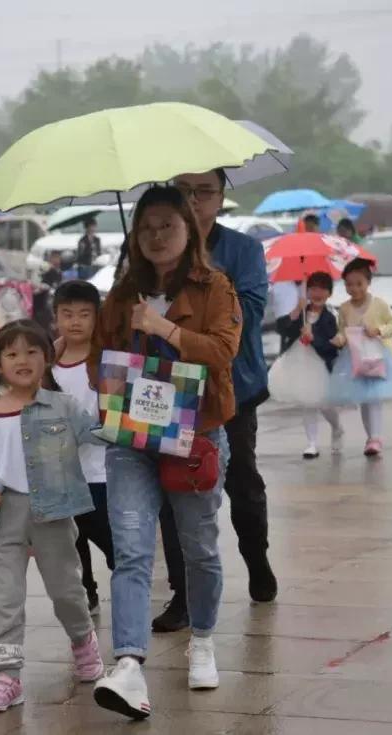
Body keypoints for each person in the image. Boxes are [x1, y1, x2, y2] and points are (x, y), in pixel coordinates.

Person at [90, 185, 242, 720]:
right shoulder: (121, 293)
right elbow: (97, 360)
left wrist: (164, 329)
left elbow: (223, 352)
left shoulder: (214, 286)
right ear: (135, 235)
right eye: (147, 227)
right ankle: (129, 663)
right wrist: (122, 360)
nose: (157, 236)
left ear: (189, 230)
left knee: (198, 545)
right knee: (131, 548)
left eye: (167, 225)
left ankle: (202, 639)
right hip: (132, 438)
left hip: (194, 436)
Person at [155, 168, 275, 634]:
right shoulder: (153, 249)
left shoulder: (243, 251)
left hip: (232, 388)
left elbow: (245, 316)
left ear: (222, 197)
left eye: (203, 191)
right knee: (172, 491)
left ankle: (257, 560)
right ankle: (183, 595)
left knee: (241, 481)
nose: (193, 200)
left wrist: (194, 288)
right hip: (169, 389)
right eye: (182, 191)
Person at [0, 321, 105, 712]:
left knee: (66, 592)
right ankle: (7, 675)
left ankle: (83, 641)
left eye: (32, 351)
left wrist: (135, 425)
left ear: (48, 358)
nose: (22, 360)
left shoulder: (62, 407)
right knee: (7, 600)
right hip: (4, 518)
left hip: (54, 515)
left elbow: (96, 433)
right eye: (11, 354)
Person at [50, 280, 114, 616]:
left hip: (100, 470)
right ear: (56, 317)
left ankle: (129, 584)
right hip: (63, 472)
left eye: (84, 314)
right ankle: (86, 590)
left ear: (97, 317)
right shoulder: (48, 363)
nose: (75, 321)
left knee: (110, 538)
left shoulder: (105, 359)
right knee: (72, 541)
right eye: (67, 314)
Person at [331, 258, 392, 457]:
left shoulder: (379, 304)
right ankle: (371, 437)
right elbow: (343, 330)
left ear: (368, 283)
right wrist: (339, 339)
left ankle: (375, 438)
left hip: (379, 356)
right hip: (355, 358)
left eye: (359, 283)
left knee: (374, 398)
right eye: (349, 284)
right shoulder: (344, 308)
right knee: (365, 400)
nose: (354, 288)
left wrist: (379, 330)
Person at [276, 271, 343, 458]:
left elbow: (331, 347)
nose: (317, 293)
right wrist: (297, 310)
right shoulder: (302, 313)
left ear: (329, 293)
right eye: (313, 288)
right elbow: (283, 329)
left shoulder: (330, 318)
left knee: (325, 404)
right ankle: (312, 443)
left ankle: (337, 427)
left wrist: (313, 338)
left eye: (323, 288)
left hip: (321, 365)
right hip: (300, 362)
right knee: (308, 402)